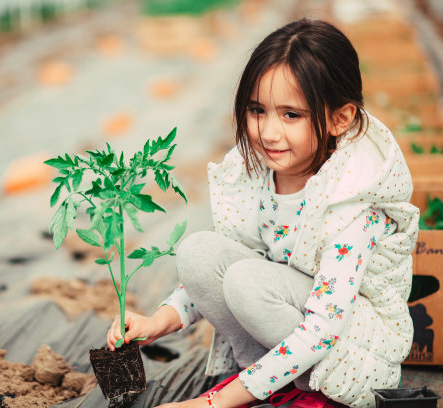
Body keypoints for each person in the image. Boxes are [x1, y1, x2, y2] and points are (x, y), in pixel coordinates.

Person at [107, 18, 419, 408]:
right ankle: (266, 382)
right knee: (200, 251)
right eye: (258, 110)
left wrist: (210, 403)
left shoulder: (356, 201)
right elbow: (221, 266)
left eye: (291, 115)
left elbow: (322, 329)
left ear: (340, 118)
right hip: (283, 324)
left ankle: (299, 392)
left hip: (346, 357)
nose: (269, 132)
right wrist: (158, 322)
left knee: (248, 279)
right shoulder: (257, 173)